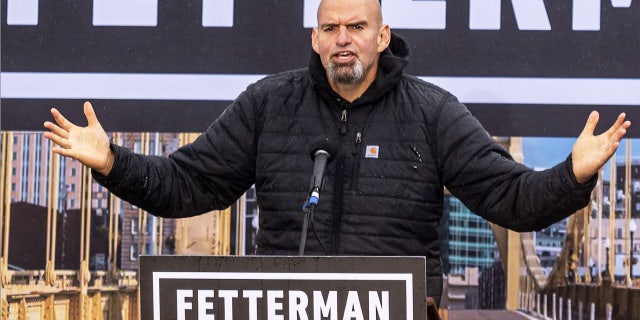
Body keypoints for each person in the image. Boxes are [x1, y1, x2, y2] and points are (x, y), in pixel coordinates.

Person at [44, 0, 630, 309]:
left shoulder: (433, 112)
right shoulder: (269, 104)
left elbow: (510, 198)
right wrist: (112, 163)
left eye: (356, 25)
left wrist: (573, 175)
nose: (342, 38)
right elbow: (186, 184)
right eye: (330, 27)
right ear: (315, 38)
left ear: (382, 36)